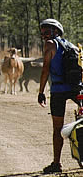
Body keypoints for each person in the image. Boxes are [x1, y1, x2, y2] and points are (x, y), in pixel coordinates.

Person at [38, 18, 77, 173]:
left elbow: (45, 69)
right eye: (42, 34)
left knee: (57, 128)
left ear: (56, 31)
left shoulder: (50, 45)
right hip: (76, 88)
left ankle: (56, 164)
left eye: (46, 32)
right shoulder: (72, 46)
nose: (44, 36)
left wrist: (41, 92)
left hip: (58, 91)